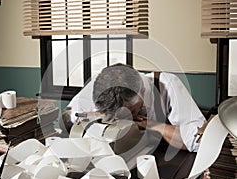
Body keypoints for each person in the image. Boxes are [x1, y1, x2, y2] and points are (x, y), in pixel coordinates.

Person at [61, 63, 206, 153]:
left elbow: (198, 142)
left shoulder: (167, 85)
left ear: (142, 91)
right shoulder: (99, 85)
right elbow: (70, 116)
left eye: (130, 111)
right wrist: (96, 114)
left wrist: (154, 125)